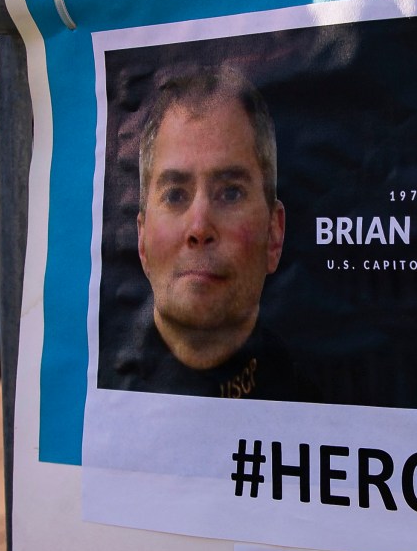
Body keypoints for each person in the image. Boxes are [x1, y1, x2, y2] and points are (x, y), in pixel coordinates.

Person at [104, 65, 304, 398]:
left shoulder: (323, 408)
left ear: (274, 233)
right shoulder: (88, 397)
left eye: (230, 193)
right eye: (175, 195)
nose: (199, 227)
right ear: (141, 239)